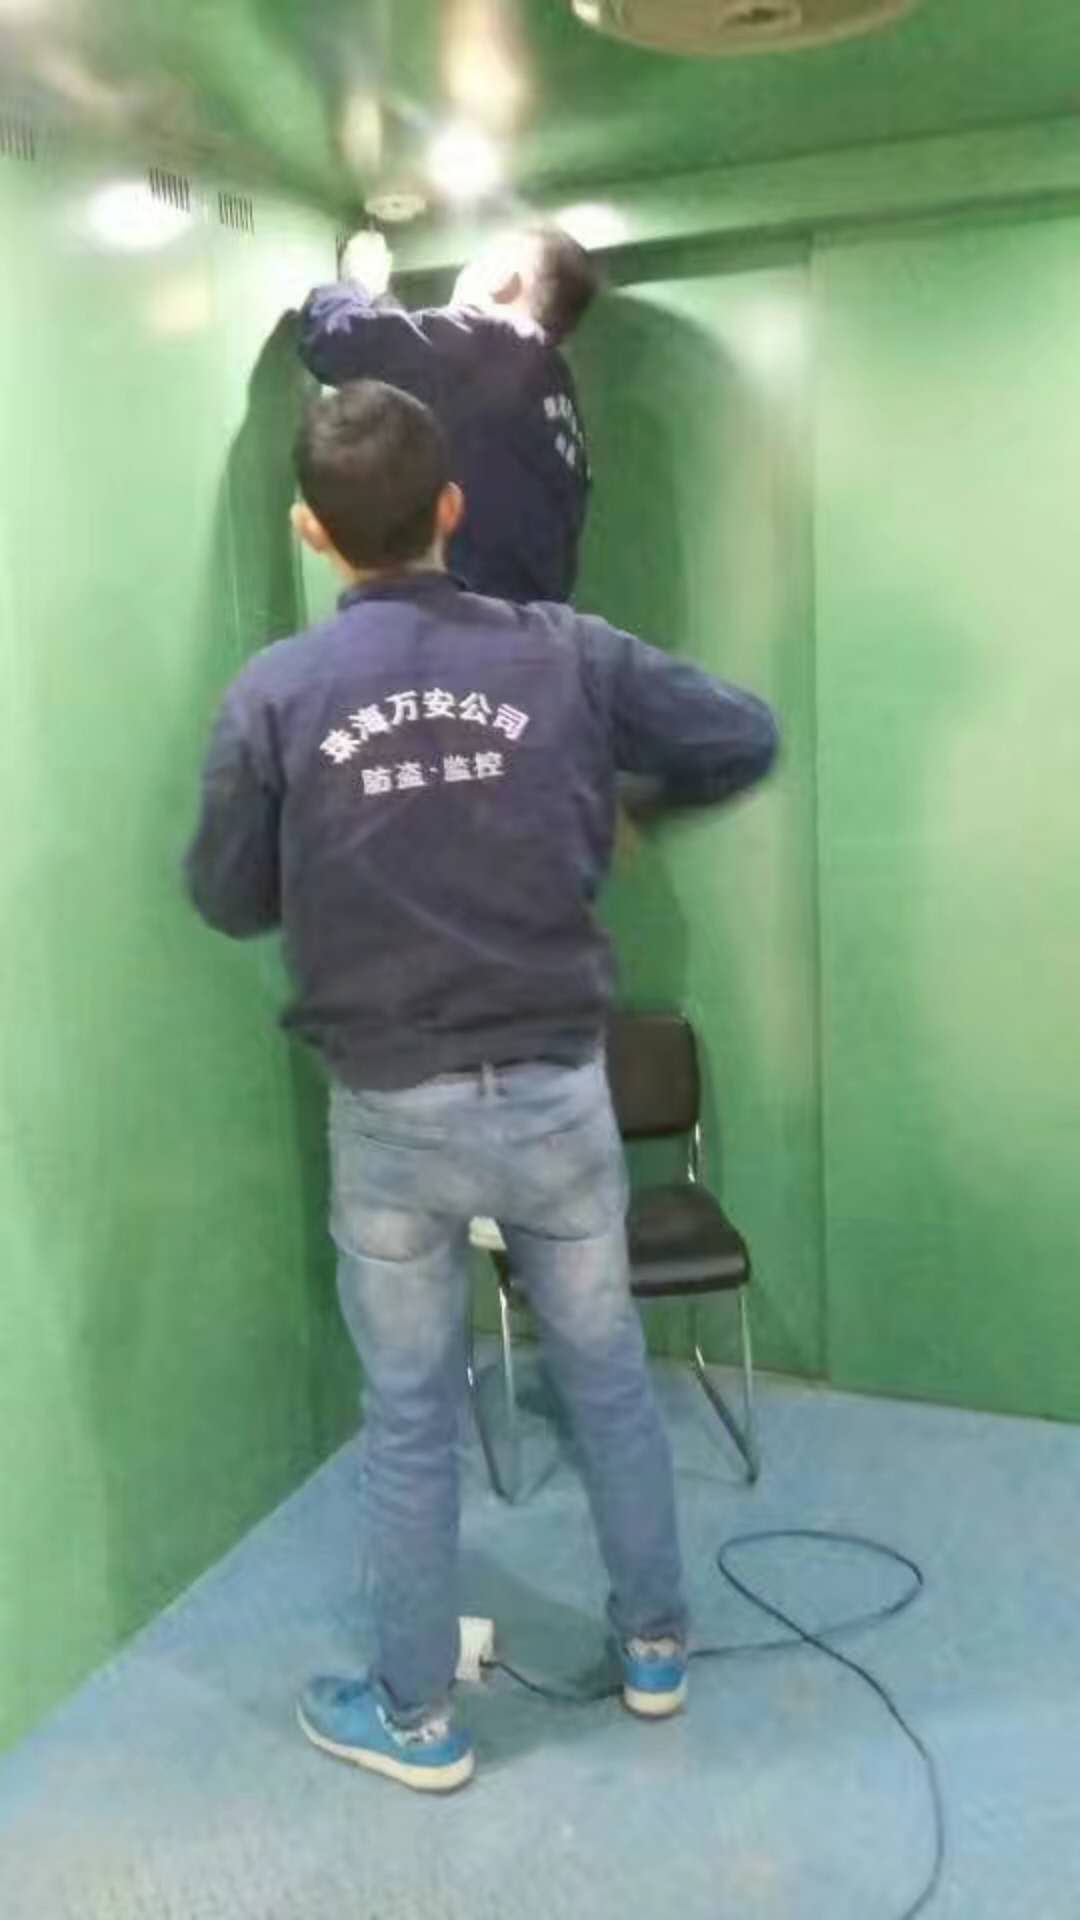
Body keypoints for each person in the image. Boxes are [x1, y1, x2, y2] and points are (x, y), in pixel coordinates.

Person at [184, 380, 778, 1795]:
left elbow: (226, 895)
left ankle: (416, 1720)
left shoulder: (274, 694)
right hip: (560, 1101)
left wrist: (334, 855)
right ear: (451, 507)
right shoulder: (568, 652)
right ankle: (654, 1649)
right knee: (608, 1377)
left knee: (410, 1418)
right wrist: (625, 806)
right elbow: (741, 733)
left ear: (312, 530)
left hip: (391, 1115)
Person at [297, 225, 598, 605]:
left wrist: (358, 282)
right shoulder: (551, 383)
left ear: (503, 279)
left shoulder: (487, 339)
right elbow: (419, 375)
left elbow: (333, 339)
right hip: (530, 624)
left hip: (466, 621)